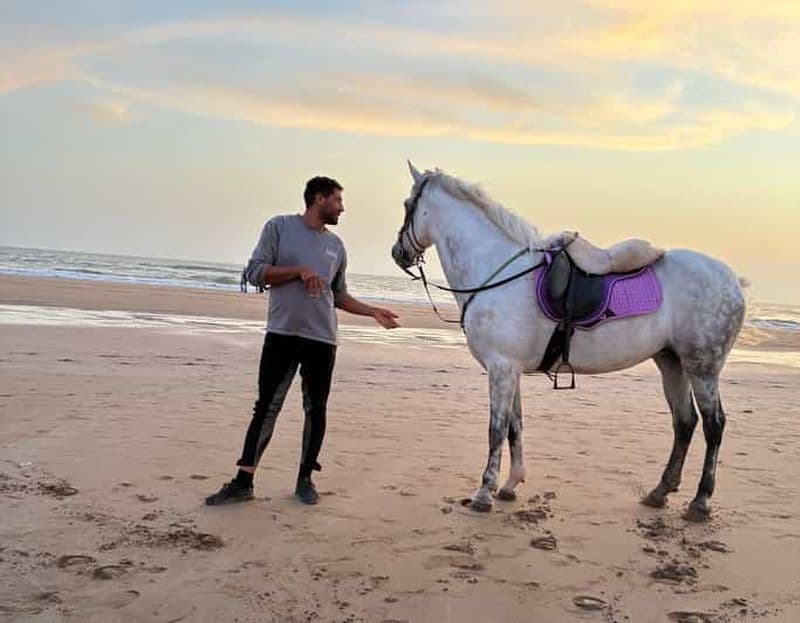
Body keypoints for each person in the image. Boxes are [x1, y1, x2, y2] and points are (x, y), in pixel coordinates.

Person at [206, 176, 399, 506]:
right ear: (320, 199)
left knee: (316, 409)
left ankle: (305, 480)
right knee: (266, 407)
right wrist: (298, 271)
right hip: (281, 335)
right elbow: (255, 272)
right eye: (338, 200)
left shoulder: (337, 246)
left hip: (321, 339)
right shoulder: (279, 227)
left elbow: (338, 296)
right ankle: (243, 482)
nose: (342, 207)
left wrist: (373, 312)